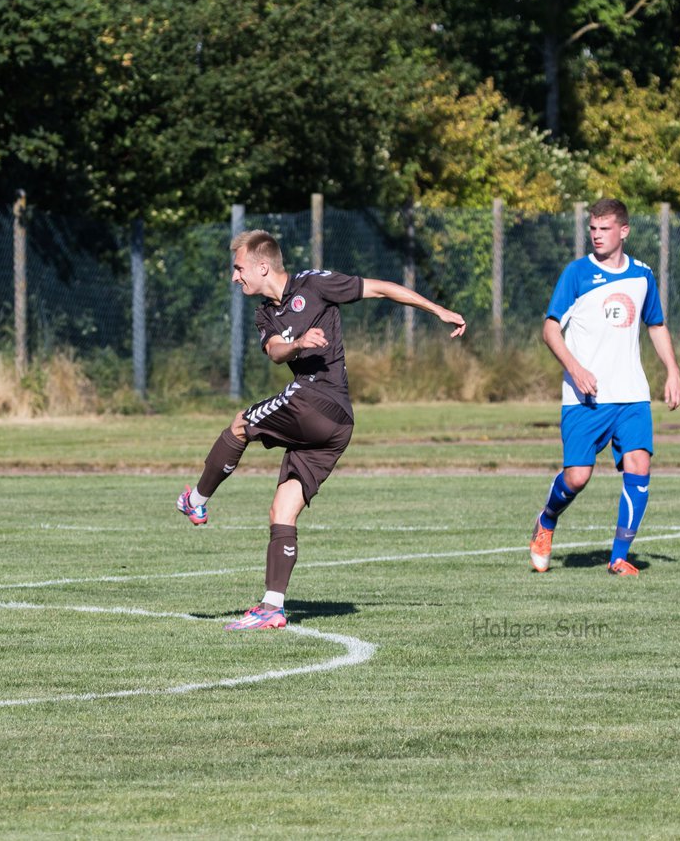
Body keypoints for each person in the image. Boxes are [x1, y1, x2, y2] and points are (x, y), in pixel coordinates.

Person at [177, 229, 466, 629]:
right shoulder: (265, 313)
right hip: (334, 426)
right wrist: (297, 345)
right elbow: (277, 351)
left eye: (238, 268)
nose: (234, 277)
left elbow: (380, 289)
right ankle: (273, 607)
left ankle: (195, 498)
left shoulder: (313, 284)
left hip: (318, 401)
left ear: (263, 266)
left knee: (241, 424)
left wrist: (437, 310)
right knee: (283, 509)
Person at [528, 198, 680, 576]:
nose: (596, 235)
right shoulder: (576, 274)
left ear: (624, 231)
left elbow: (656, 325)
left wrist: (673, 370)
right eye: (593, 229)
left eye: (604, 229)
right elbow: (550, 330)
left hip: (631, 395)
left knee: (639, 465)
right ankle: (546, 520)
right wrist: (576, 369)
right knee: (578, 476)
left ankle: (618, 557)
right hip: (585, 398)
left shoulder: (643, 275)